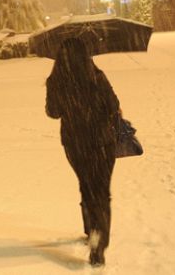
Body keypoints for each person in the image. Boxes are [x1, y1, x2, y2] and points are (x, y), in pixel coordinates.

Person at [45, 38, 120, 267]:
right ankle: (99, 237)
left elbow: (53, 112)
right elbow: (113, 105)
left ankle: (90, 229)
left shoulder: (56, 80)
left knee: (86, 184)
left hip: (75, 142)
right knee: (101, 190)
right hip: (102, 141)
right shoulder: (95, 75)